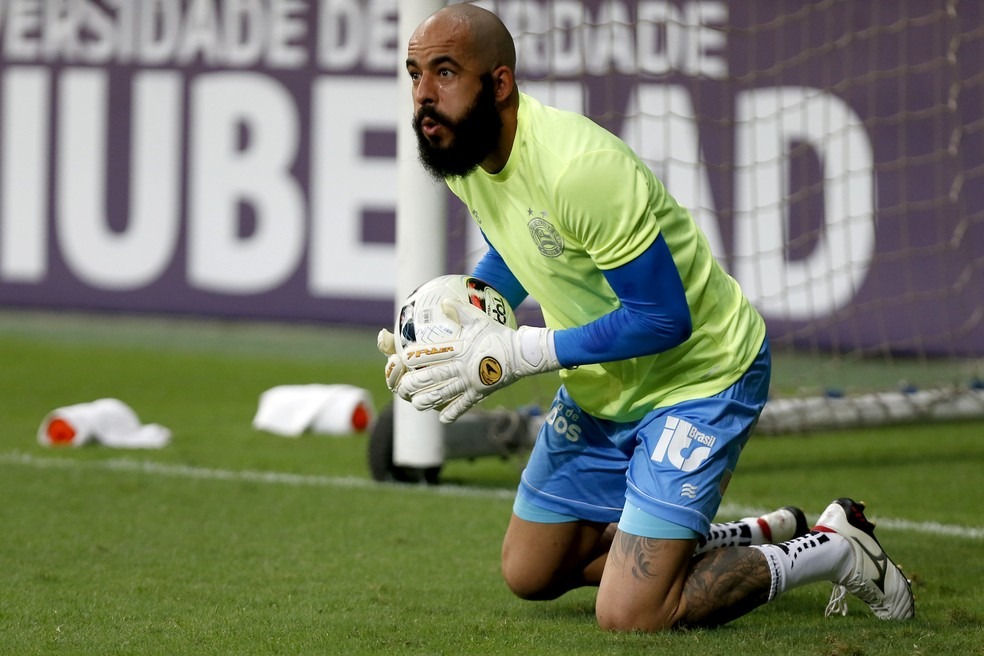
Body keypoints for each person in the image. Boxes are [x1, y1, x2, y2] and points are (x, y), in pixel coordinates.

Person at [380, 3, 914, 631]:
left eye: (444, 72)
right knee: (532, 572)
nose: (423, 95)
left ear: (499, 84)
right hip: (605, 385)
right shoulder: (465, 154)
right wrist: (465, 319)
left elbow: (665, 319)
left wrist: (517, 352)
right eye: (415, 73)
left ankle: (833, 546)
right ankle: (739, 532)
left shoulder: (579, 170)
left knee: (631, 612)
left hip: (699, 377)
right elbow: (529, 241)